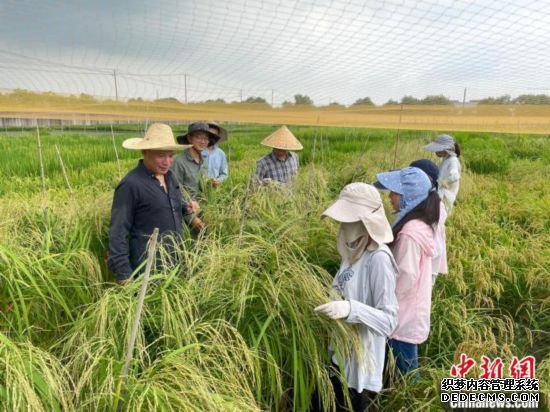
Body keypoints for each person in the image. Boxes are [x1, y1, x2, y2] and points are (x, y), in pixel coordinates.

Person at [313, 183, 398, 411]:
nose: (343, 225)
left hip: (360, 370)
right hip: (338, 357)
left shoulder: (378, 259)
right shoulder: (351, 252)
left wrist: (351, 309)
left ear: (365, 222)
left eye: (349, 220)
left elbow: (389, 321)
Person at [107, 123, 192, 284]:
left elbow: (174, 206)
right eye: (161, 155)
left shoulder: (170, 177)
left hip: (174, 263)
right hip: (146, 271)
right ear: (145, 152)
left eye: (170, 155)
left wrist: (187, 208)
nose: (167, 161)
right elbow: (118, 233)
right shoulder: (131, 185)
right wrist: (124, 275)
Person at [374, 167, 439, 376]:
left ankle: (416, 403)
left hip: (403, 315)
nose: (390, 197)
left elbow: (406, 276)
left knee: (408, 373)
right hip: (409, 311)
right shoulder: (418, 223)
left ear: (408, 196)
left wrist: (384, 302)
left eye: (394, 192)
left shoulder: (410, 232)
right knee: (401, 367)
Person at [171, 122, 220, 231]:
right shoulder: (179, 162)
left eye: (206, 138)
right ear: (189, 138)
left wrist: (211, 185)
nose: (203, 141)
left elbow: (203, 190)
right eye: (198, 137)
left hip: (203, 212)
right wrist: (191, 218)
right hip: (186, 217)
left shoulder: (204, 161)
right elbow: (174, 192)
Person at [409, 159, 448, 286]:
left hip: (428, 263)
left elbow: (434, 246)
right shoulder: (433, 202)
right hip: (428, 262)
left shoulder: (433, 207)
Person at [423, 134, 462, 213]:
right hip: (440, 194)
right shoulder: (445, 159)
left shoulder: (453, 160)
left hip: (446, 197)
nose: (435, 152)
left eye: (437, 149)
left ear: (445, 149)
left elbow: (455, 176)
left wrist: (442, 182)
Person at [202, 122, 229, 187]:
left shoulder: (221, 153)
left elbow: (224, 174)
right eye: (209, 135)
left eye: (214, 135)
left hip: (214, 188)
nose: (211, 138)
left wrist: (218, 180)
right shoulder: (198, 151)